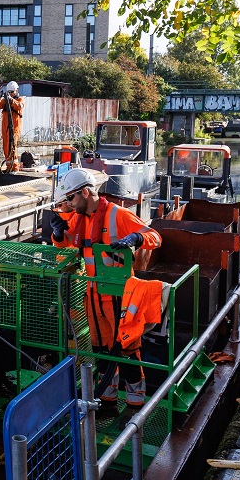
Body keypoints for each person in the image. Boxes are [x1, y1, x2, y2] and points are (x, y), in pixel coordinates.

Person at [50, 168, 164, 406]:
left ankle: (135, 405)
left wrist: (136, 238)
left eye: (70, 198)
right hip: (92, 295)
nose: (68, 205)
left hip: (120, 298)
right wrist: (58, 234)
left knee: (127, 349)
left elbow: (155, 237)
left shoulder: (117, 215)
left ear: (84, 192)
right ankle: (106, 400)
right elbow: (65, 250)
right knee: (100, 350)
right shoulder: (78, 220)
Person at [0, 82, 24, 173]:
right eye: (9, 92)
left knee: (12, 147)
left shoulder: (20, 99)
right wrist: (0, 97)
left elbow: (19, 106)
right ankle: (9, 166)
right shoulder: (5, 101)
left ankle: (15, 168)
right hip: (5, 128)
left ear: (16, 90)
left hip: (14, 128)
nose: (10, 94)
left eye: (12, 92)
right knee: (6, 147)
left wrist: (11, 100)